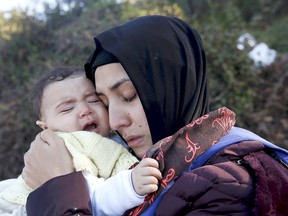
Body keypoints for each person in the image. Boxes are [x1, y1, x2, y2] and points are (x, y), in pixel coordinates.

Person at [22, 15, 288, 215]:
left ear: (173, 86)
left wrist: (55, 191)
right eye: (104, 102)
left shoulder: (232, 185)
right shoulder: (152, 166)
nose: (115, 122)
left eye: (128, 96)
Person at [0, 66, 161, 215]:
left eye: (94, 101)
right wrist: (129, 186)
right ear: (46, 127)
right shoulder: (72, 144)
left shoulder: (112, 142)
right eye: (67, 109)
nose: (85, 110)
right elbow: (87, 195)